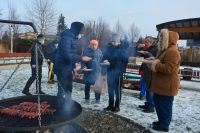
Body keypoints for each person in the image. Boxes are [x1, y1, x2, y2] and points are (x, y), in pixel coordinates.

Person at [144, 29, 181, 132]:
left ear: (167, 39)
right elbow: (160, 62)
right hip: (161, 86)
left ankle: (164, 126)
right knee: (158, 104)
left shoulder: (173, 51)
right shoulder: (165, 50)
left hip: (167, 86)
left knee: (165, 106)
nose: (159, 39)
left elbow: (169, 69)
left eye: (161, 37)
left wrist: (153, 64)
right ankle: (161, 121)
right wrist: (153, 61)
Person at [54, 22, 91, 105]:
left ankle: (67, 108)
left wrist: (73, 68)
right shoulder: (66, 38)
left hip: (67, 68)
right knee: (62, 90)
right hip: (62, 69)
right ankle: (60, 108)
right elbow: (67, 55)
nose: (81, 35)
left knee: (68, 89)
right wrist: (81, 58)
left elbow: (71, 55)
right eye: (81, 33)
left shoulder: (72, 38)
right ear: (77, 30)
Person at [102, 33, 128, 112]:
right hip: (110, 71)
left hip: (118, 73)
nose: (113, 43)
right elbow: (104, 57)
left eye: (115, 41)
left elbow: (124, 61)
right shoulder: (109, 48)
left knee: (117, 90)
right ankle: (110, 105)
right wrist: (104, 60)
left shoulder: (123, 49)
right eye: (112, 41)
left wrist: (111, 63)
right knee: (110, 89)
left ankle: (117, 106)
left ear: (119, 41)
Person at [137, 36, 158, 113]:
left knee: (150, 90)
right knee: (147, 89)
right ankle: (147, 104)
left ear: (151, 42)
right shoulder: (147, 48)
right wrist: (139, 48)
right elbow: (140, 56)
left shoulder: (155, 49)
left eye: (146, 42)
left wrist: (148, 54)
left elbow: (156, 59)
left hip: (151, 72)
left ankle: (151, 107)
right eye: (144, 42)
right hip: (146, 71)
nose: (144, 43)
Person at [82, 39, 103, 103]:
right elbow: (83, 61)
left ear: (97, 45)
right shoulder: (86, 51)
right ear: (90, 45)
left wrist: (103, 63)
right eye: (92, 45)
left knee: (98, 86)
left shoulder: (99, 52)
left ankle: (97, 99)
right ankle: (87, 98)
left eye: (95, 45)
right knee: (87, 86)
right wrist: (84, 67)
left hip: (97, 72)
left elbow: (101, 60)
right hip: (88, 71)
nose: (94, 46)